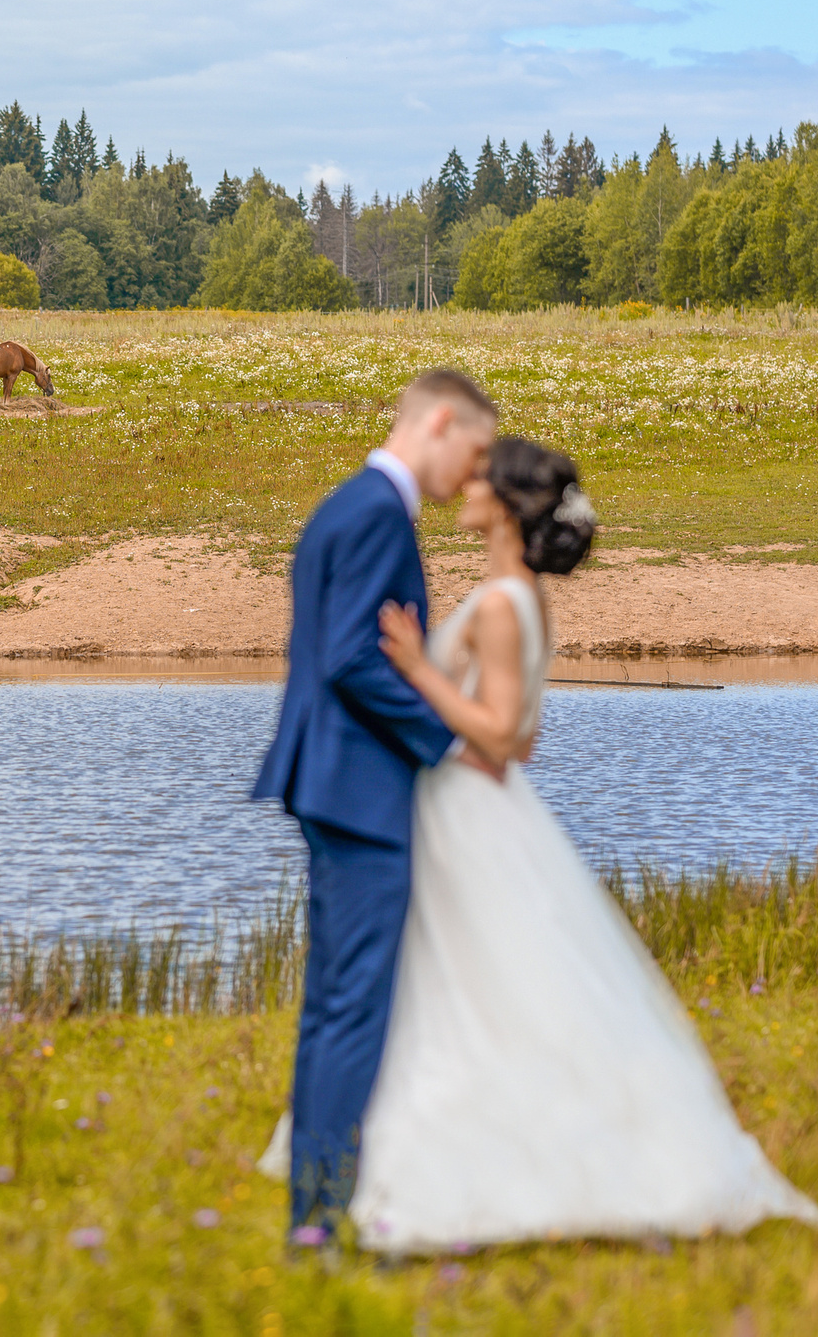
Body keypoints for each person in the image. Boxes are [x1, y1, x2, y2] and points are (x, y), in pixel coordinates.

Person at [332, 436, 818, 1251]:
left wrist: (419, 670)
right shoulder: (521, 597)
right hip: (494, 810)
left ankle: (475, 1162)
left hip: (469, 808)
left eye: (485, 480)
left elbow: (497, 737)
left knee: (470, 985)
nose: (469, 486)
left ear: (511, 504)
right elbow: (522, 742)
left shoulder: (498, 604)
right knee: (501, 984)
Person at [250, 368, 498, 1247]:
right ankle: (319, 1220)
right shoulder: (377, 514)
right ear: (438, 422)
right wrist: (449, 739)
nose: (471, 476)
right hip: (358, 791)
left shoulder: (344, 506)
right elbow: (354, 658)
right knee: (354, 1009)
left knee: (332, 1008)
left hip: (332, 781)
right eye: (471, 451)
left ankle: (315, 1216)